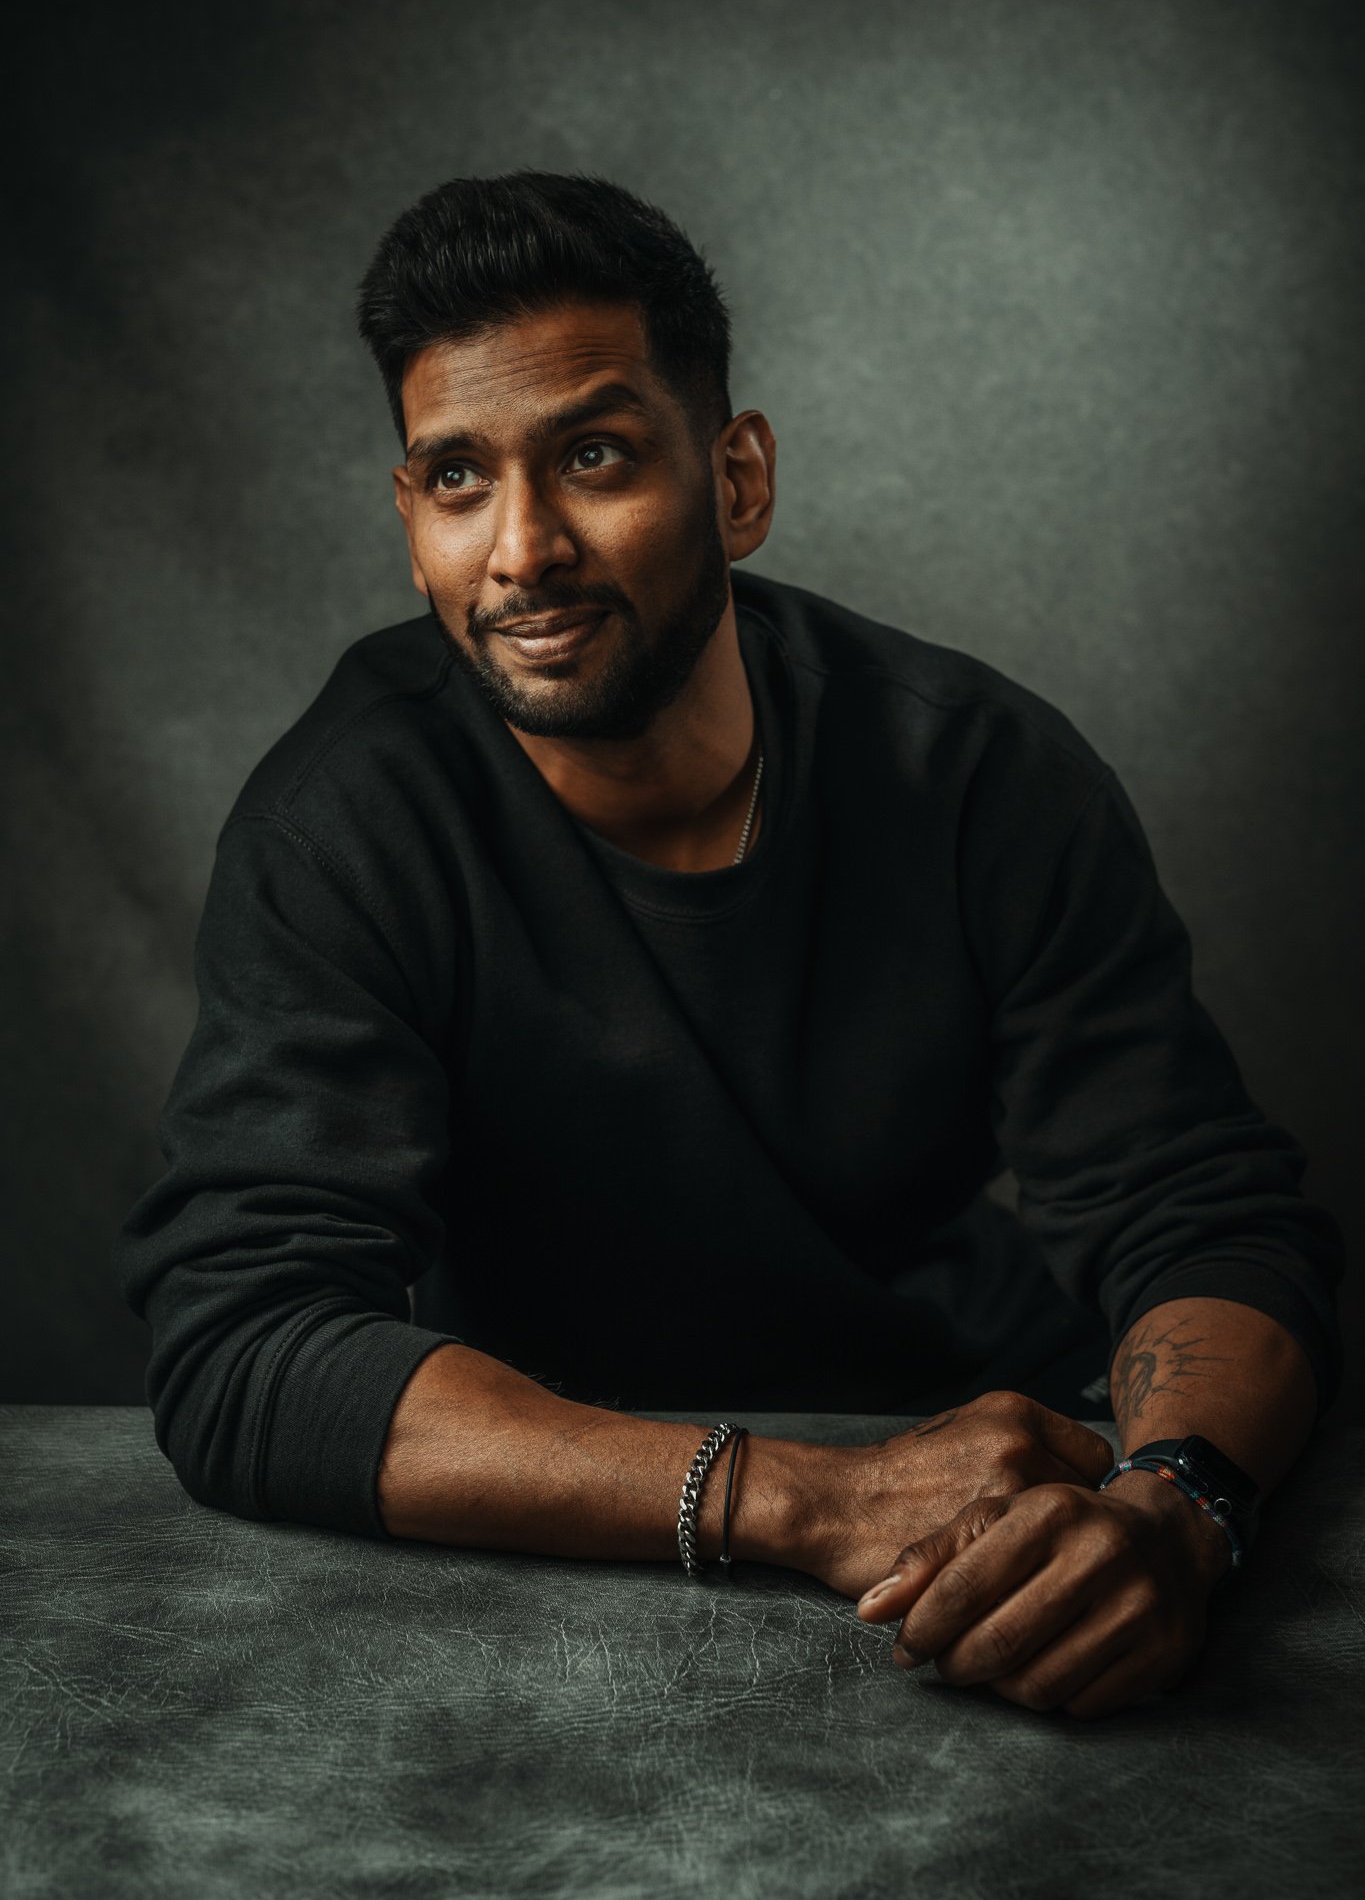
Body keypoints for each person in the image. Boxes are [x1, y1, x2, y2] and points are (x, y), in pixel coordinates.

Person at [113, 171, 1345, 1722]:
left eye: (596, 456)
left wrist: (1177, 1510)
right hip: (551, 1558)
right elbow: (245, 1349)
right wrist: (801, 1498)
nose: (523, 550)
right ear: (411, 517)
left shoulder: (976, 774)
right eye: (456, 480)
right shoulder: (341, 827)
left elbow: (1206, 1215)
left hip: (996, 1517)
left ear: (737, 477)